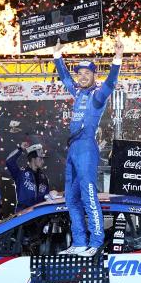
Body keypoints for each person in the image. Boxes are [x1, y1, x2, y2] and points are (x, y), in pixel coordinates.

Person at [52, 37, 123, 256]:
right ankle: (80, 242)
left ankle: (96, 242)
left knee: (88, 194)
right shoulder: (78, 93)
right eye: (79, 74)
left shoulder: (97, 96)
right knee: (71, 199)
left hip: (86, 148)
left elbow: (110, 83)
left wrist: (117, 58)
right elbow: (64, 77)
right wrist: (57, 56)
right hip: (73, 149)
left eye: (87, 74)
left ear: (94, 76)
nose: (82, 77)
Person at [5, 142, 52, 212]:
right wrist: (20, 149)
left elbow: (46, 197)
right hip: (23, 213)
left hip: (39, 214)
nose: (43, 162)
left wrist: (51, 195)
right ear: (33, 159)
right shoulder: (21, 174)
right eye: (40, 159)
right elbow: (9, 161)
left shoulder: (44, 177)